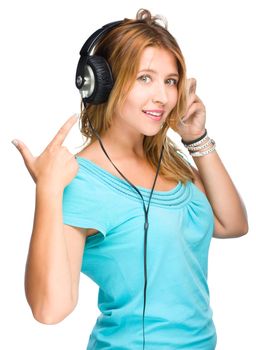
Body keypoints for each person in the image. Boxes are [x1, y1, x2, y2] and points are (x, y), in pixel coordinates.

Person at [12, 8, 248, 350]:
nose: (163, 97)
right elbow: (50, 310)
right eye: (144, 78)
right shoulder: (80, 180)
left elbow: (232, 224)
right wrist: (48, 191)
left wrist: (196, 139)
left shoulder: (169, 163)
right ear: (102, 83)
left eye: (170, 81)